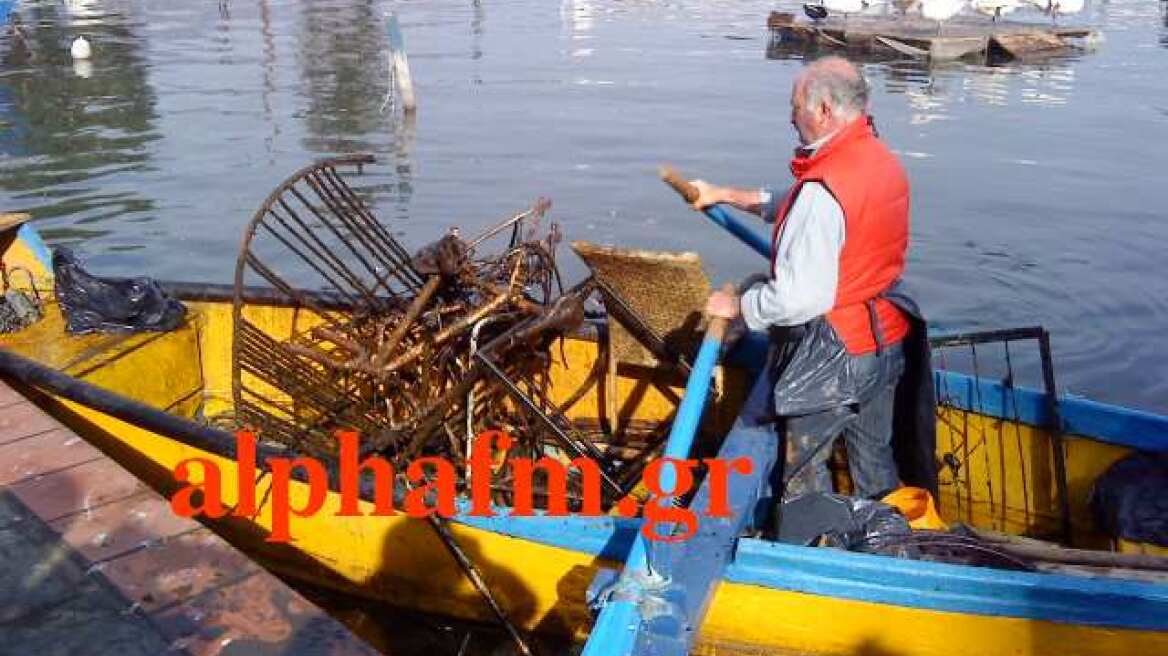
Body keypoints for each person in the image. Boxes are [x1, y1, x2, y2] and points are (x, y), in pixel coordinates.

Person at [689, 56, 932, 516]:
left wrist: (738, 305)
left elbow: (798, 299)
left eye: (795, 105)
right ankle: (883, 540)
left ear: (822, 110)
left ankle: (813, 555)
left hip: (834, 356)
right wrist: (726, 195)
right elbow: (797, 201)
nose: (790, 116)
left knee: (804, 476)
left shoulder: (823, 191)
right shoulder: (878, 160)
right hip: (886, 341)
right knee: (875, 464)